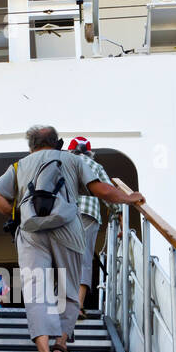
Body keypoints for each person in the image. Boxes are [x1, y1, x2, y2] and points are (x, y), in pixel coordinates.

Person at [0, 124, 144, 352]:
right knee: (69, 286)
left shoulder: (19, 165)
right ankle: (61, 345)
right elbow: (101, 190)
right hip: (68, 230)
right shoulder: (72, 159)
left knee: (37, 290)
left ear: (31, 146)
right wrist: (129, 198)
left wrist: (15, 214)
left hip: (30, 232)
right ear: (57, 141)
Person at [66, 136, 120, 323]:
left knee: (62, 258)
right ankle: (78, 307)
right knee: (84, 260)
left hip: (63, 215)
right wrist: (119, 214)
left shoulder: (63, 163)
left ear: (70, 150)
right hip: (88, 216)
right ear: (89, 151)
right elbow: (108, 191)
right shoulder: (95, 166)